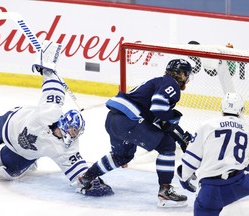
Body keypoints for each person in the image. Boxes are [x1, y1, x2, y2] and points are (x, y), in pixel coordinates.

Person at [0, 40, 113, 196]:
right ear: (63, 124)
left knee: (6, 170)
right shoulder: (49, 110)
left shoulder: (66, 149)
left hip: (23, 154)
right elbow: (52, 83)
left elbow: (78, 170)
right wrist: (46, 65)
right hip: (8, 125)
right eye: (72, 130)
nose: (73, 135)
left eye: (76, 132)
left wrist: (90, 182)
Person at [75, 58, 194, 207]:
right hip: (128, 121)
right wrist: (175, 125)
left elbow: (158, 119)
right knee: (167, 146)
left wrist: (179, 133)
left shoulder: (159, 81)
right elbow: (159, 108)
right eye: (187, 75)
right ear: (182, 74)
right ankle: (166, 192)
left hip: (113, 119)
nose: (187, 79)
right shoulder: (171, 84)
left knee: (122, 156)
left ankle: (86, 178)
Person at [177, 92, 249, 216]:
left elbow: (190, 160)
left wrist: (183, 177)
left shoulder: (206, 126)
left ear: (221, 109)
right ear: (241, 110)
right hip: (238, 184)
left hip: (209, 191)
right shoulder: (246, 128)